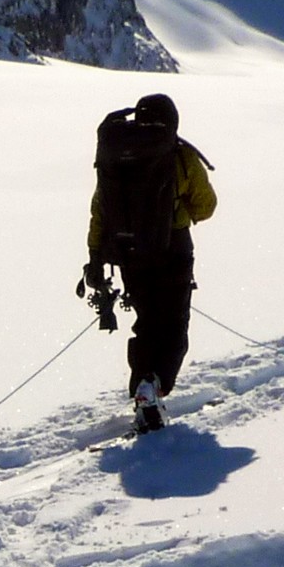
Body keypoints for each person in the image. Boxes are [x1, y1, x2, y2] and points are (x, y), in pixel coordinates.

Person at [79, 92, 217, 433]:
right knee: (173, 327)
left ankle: (144, 388)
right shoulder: (179, 155)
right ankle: (152, 388)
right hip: (173, 250)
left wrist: (95, 257)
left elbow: (101, 211)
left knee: (147, 323)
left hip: (130, 256)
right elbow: (206, 206)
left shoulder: (117, 158)